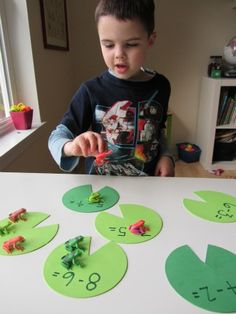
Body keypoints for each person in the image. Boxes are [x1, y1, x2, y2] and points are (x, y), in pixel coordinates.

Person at [48, 0, 175, 176]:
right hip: (102, 192)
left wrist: (166, 156)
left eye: (131, 44)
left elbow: (158, 132)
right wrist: (71, 147)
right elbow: (56, 137)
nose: (119, 54)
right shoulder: (90, 90)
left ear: (150, 40)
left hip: (148, 187)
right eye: (108, 44)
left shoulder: (161, 86)